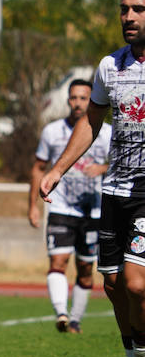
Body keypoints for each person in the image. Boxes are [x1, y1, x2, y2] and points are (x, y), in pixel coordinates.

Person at [40, 0, 145, 357]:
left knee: (138, 286)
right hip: (114, 191)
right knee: (115, 285)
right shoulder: (110, 67)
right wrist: (57, 170)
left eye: (138, 10)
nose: (129, 17)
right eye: (124, 9)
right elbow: (89, 124)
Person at [29, 79, 111, 333]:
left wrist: (103, 168)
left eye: (83, 98)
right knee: (58, 261)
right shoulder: (52, 132)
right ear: (68, 100)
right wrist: (32, 205)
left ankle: (75, 320)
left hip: (93, 211)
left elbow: (124, 164)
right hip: (61, 207)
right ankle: (61, 314)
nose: (77, 103)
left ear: (93, 100)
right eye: (73, 98)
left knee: (86, 269)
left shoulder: (107, 132)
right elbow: (38, 168)